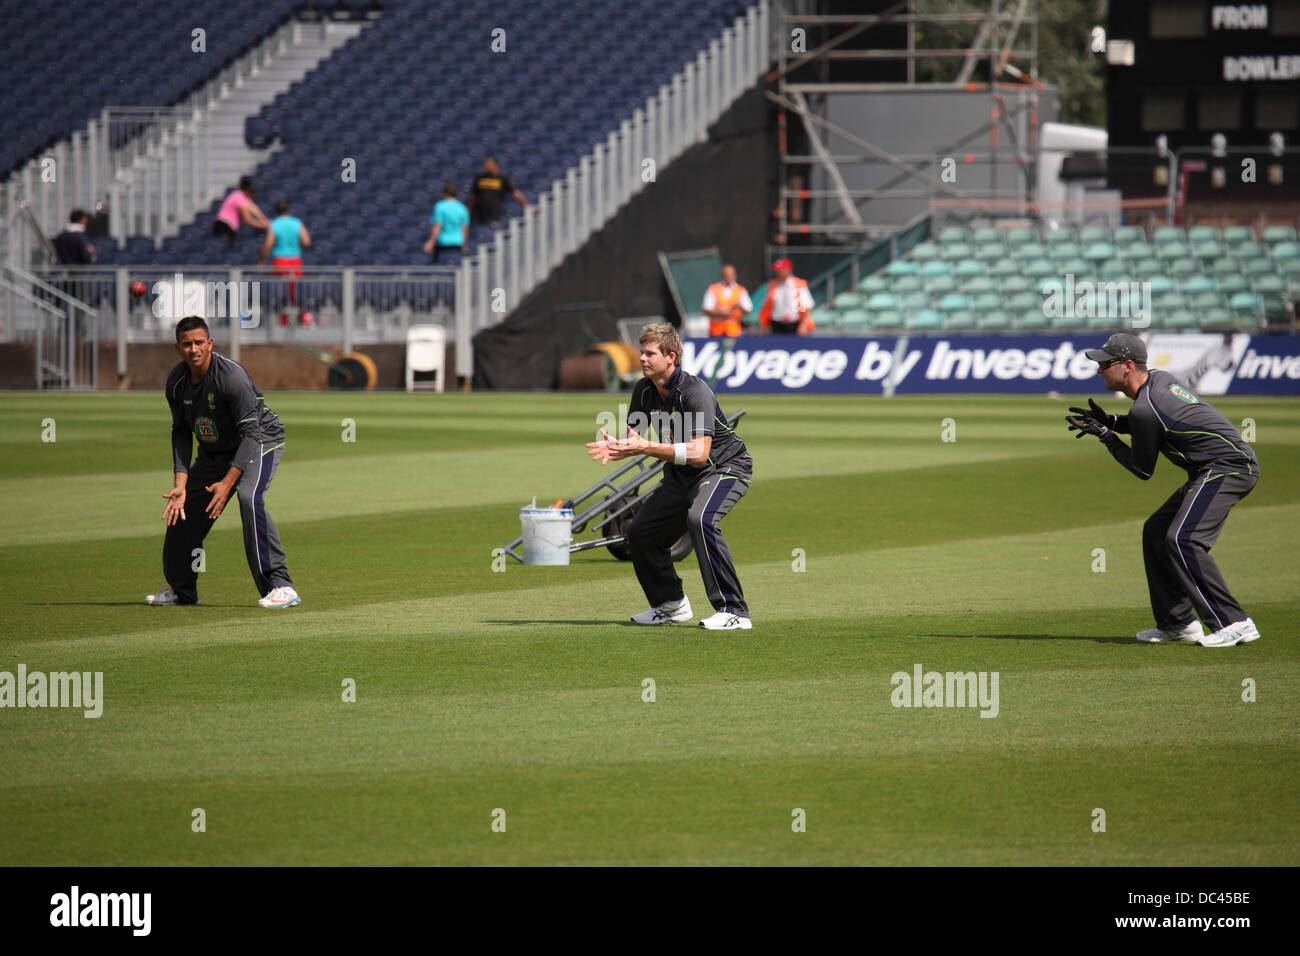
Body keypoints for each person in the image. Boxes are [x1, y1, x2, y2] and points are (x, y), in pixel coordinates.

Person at [1065, 332, 1259, 647]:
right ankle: (1178, 624)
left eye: (1105, 364)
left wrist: (1107, 436)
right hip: (1212, 468)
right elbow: (1154, 420)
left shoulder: (1147, 405)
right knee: (1157, 531)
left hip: (1229, 468)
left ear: (1127, 366)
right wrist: (1112, 421)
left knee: (1183, 539)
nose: (1099, 370)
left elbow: (1142, 469)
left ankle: (1234, 622)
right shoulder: (1158, 381)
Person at [585, 323, 753, 630]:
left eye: (650, 353)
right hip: (681, 475)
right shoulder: (644, 390)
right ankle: (669, 604)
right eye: (642, 352)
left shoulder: (695, 392)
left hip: (724, 468)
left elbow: (700, 454)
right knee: (639, 533)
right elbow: (633, 437)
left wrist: (645, 446)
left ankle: (734, 611)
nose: (642, 358)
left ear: (670, 357)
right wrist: (617, 446)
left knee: (700, 519)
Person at [148, 316, 300, 609]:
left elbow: (251, 433)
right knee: (184, 510)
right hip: (214, 452)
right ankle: (183, 592)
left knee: (247, 497)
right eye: (186, 344)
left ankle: (280, 586)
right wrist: (181, 483)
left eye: (199, 343)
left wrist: (227, 483)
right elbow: (180, 431)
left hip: (260, 441)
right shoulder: (177, 383)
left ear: (210, 344)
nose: (193, 349)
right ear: (178, 348)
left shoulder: (231, 377)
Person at [258, 200, 312, 327]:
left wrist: (261, 259)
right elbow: (306, 241)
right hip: (295, 261)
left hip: (280, 261)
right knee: (295, 292)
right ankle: (304, 318)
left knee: (280, 292)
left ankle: (283, 320)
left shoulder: (274, 224)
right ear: (289, 210)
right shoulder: (297, 223)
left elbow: (268, 244)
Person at [468, 156, 530, 226]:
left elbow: (515, 193)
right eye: (485, 164)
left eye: (488, 164)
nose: (486, 166)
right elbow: (473, 197)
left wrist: (527, 206)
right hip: (478, 216)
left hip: (494, 215)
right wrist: (469, 211)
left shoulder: (502, 178)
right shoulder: (479, 178)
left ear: (495, 165)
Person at [759, 258, 814, 334]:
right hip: (776, 324)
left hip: (794, 325)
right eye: (777, 270)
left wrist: (804, 324)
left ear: (788, 270)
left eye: (780, 270)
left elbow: (807, 306)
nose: (777, 272)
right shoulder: (772, 285)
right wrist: (764, 325)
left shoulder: (799, 284)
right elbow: (766, 306)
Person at [213, 176, 270, 248]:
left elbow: (253, 208)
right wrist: (265, 225)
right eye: (252, 192)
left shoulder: (238, 195)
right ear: (246, 190)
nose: (253, 195)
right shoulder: (240, 199)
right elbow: (248, 220)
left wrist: (264, 219)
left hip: (221, 225)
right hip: (225, 227)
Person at [422, 183, 470, 264]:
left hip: (443, 243)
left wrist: (431, 241)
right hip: (457, 242)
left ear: (444, 193)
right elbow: (464, 228)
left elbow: (437, 226)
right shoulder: (462, 208)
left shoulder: (440, 206)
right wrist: (464, 243)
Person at [702, 264, 753, 337]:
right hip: (716, 331)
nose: (728, 277)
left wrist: (738, 307)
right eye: (726, 275)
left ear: (735, 276)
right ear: (722, 276)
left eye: (730, 275)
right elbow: (707, 308)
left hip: (733, 331)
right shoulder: (713, 289)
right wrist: (721, 312)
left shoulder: (740, 290)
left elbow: (748, 309)